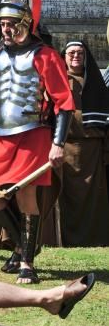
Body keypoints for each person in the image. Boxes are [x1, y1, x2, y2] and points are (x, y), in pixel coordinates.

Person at [0, 0, 74, 284]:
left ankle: (27, 262)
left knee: (25, 198)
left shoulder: (45, 56)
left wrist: (58, 143)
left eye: (9, 23)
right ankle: (22, 243)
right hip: (0, 137)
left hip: (34, 134)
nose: (4, 28)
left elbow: (64, 102)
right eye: (1, 23)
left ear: (24, 24)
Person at [56, 41, 109, 246]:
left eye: (80, 53)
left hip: (91, 151)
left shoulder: (96, 84)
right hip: (64, 148)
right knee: (65, 198)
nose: (75, 56)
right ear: (64, 56)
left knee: (92, 198)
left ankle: (93, 239)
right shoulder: (57, 81)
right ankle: (64, 240)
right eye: (71, 53)